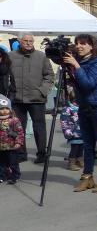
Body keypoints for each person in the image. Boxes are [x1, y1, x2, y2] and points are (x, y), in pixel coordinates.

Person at [65, 34, 97, 193]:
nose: (79, 46)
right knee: (87, 144)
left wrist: (76, 67)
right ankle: (87, 177)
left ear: (92, 46)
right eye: (77, 43)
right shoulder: (80, 60)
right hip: (84, 106)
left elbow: (88, 83)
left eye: (83, 44)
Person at [9, 33, 54, 163]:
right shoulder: (11, 56)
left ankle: (41, 153)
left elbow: (49, 75)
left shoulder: (41, 56)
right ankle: (21, 153)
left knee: (39, 127)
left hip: (37, 98)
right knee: (19, 127)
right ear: (19, 41)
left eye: (31, 41)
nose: (29, 43)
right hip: (17, 99)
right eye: (26, 41)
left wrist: (43, 90)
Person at [0, 95, 23, 184]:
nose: (4, 111)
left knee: (13, 163)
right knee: (1, 164)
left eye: (6, 108)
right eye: (1, 109)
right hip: (1, 147)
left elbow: (20, 132)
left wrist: (19, 142)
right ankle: (2, 176)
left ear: (10, 109)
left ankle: (15, 176)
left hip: (12, 146)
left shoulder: (14, 120)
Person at [60, 86, 83, 171]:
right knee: (75, 148)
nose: (76, 103)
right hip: (73, 133)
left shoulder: (82, 107)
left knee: (81, 147)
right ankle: (71, 162)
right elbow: (64, 121)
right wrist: (67, 131)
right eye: (75, 101)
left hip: (82, 132)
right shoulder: (67, 109)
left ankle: (79, 160)